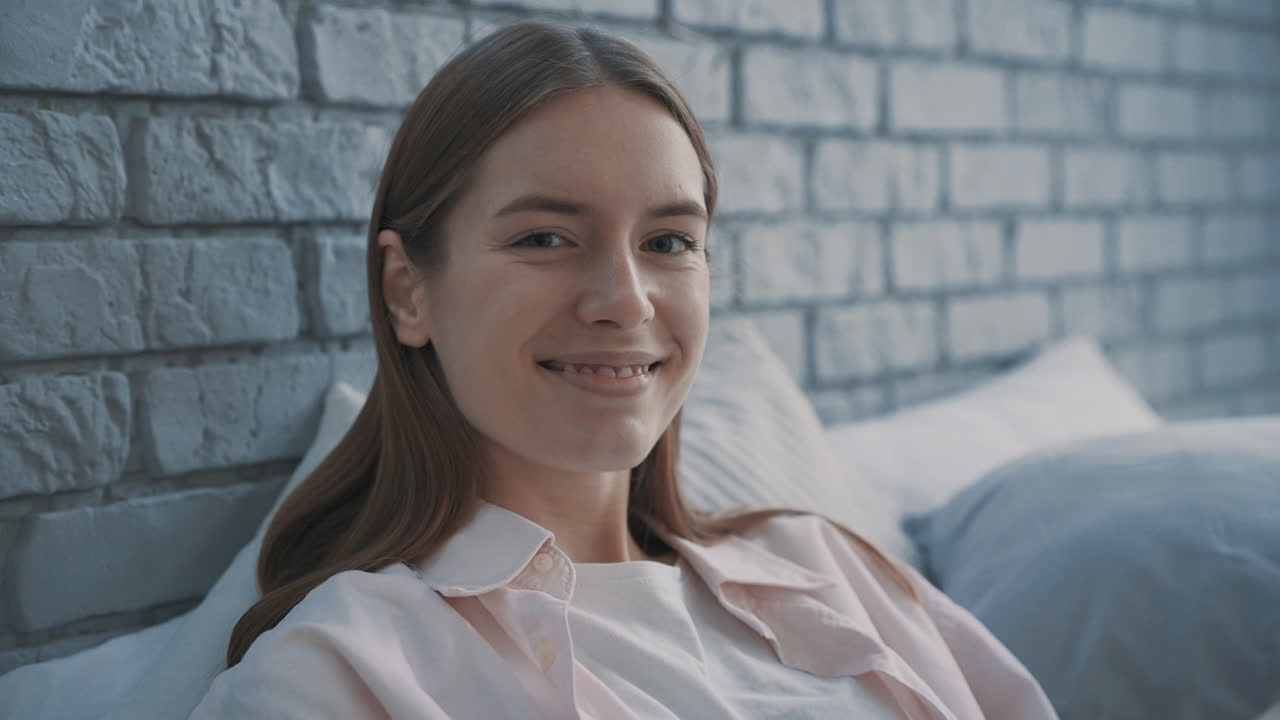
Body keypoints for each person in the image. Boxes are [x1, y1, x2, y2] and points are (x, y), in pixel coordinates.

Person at [189, 21, 1058, 720]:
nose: (625, 299)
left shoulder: (827, 564)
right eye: (545, 238)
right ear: (408, 290)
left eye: (669, 242)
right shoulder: (340, 673)